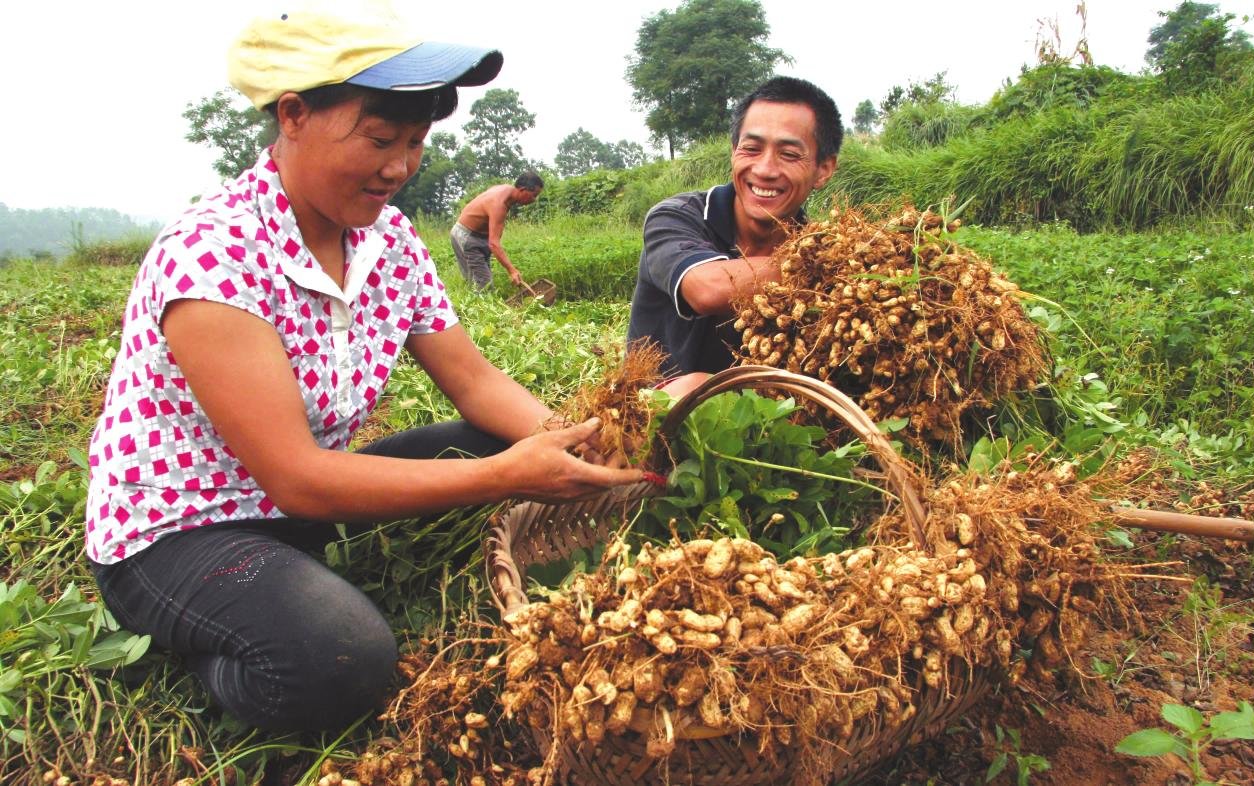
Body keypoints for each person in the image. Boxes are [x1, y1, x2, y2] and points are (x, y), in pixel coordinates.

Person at [84, 3, 644, 734]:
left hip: (299, 509)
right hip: (184, 532)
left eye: (415, 143)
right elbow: (296, 475)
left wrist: (569, 439)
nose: (399, 167)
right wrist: (509, 475)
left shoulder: (390, 242)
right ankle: (206, 644)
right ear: (293, 115)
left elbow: (473, 381)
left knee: (492, 443)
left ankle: (300, 580)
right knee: (341, 658)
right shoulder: (213, 253)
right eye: (380, 138)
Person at [627, 76, 843, 383]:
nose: (765, 169)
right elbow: (707, 288)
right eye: (751, 149)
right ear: (733, 151)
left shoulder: (817, 245)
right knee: (695, 385)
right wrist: (831, 266)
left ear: (823, 170)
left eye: (789, 154)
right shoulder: (677, 217)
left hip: (762, 420)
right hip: (655, 415)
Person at [449, 172, 544, 290]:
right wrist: (512, 270)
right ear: (523, 190)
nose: (534, 200)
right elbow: (494, 244)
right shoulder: (499, 204)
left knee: (482, 279)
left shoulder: (508, 191)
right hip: (467, 236)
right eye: (534, 195)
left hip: (480, 237)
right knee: (483, 285)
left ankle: (479, 300)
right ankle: (474, 306)